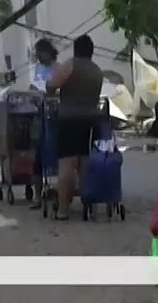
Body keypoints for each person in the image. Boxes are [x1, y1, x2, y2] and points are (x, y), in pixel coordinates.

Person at [45, 34, 104, 220]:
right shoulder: (97, 71)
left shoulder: (70, 65)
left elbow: (52, 85)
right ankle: (89, 206)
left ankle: (63, 209)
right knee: (85, 163)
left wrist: (50, 87)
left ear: (75, 49)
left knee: (67, 165)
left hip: (69, 119)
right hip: (91, 121)